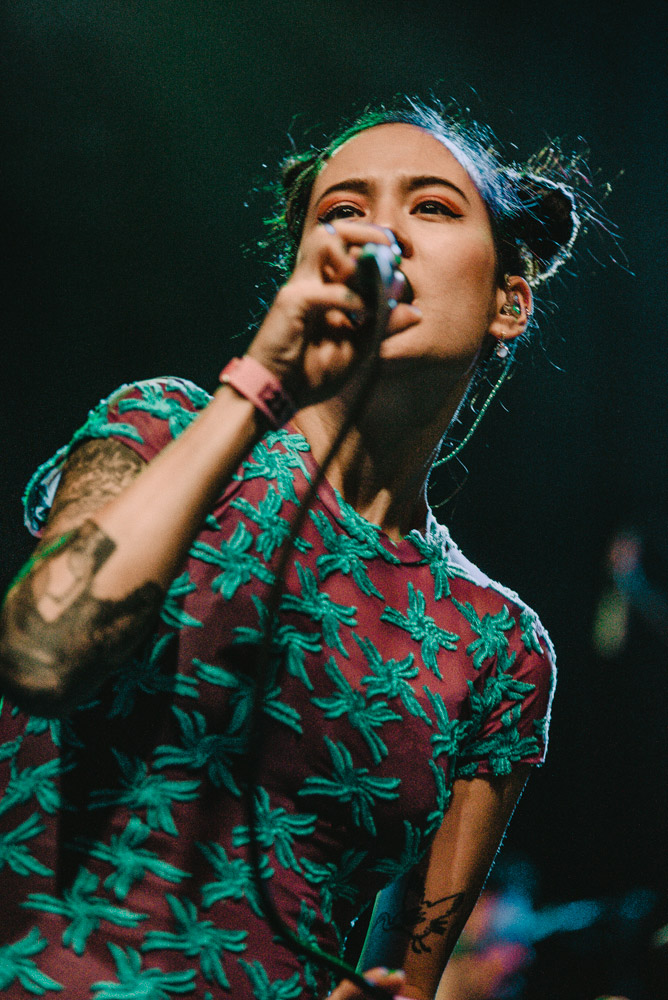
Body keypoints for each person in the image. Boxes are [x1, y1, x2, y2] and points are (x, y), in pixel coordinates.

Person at [0, 97, 585, 999]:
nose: (379, 233)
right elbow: (42, 655)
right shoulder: (160, 428)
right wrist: (258, 386)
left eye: (430, 207)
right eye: (344, 211)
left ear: (510, 300)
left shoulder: (499, 647)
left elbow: (409, 979)